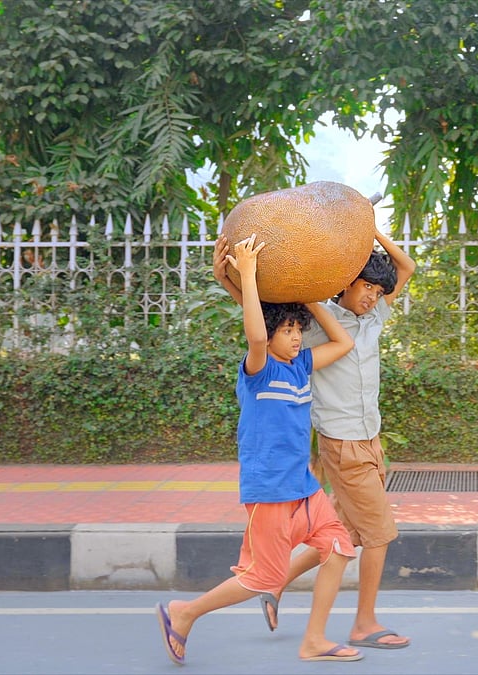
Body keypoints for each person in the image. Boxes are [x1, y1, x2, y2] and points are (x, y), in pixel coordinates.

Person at [156, 233, 363, 666]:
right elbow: (255, 333)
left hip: (303, 489)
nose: (294, 339)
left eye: (296, 332)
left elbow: (344, 343)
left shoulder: (301, 365)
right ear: (269, 338)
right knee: (259, 578)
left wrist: (306, 302)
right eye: (286, 331)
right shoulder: (258, 370)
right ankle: (185, 612)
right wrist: (246, 276)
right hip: (269, 491)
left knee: (340, 547)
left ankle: (315, 640)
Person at [213, 226, 416, 650]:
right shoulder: (318, 325)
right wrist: (228, 278)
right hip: (341, 442)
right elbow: (264, 326)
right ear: (345, 283)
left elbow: (406, 267)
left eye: (379, 292)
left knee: (345, 533)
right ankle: (364, 624)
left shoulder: (375, 315)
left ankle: (276, 584)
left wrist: (368, 228)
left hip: (370, 438)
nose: (372, 298)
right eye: (366, 289)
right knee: (378, 534)